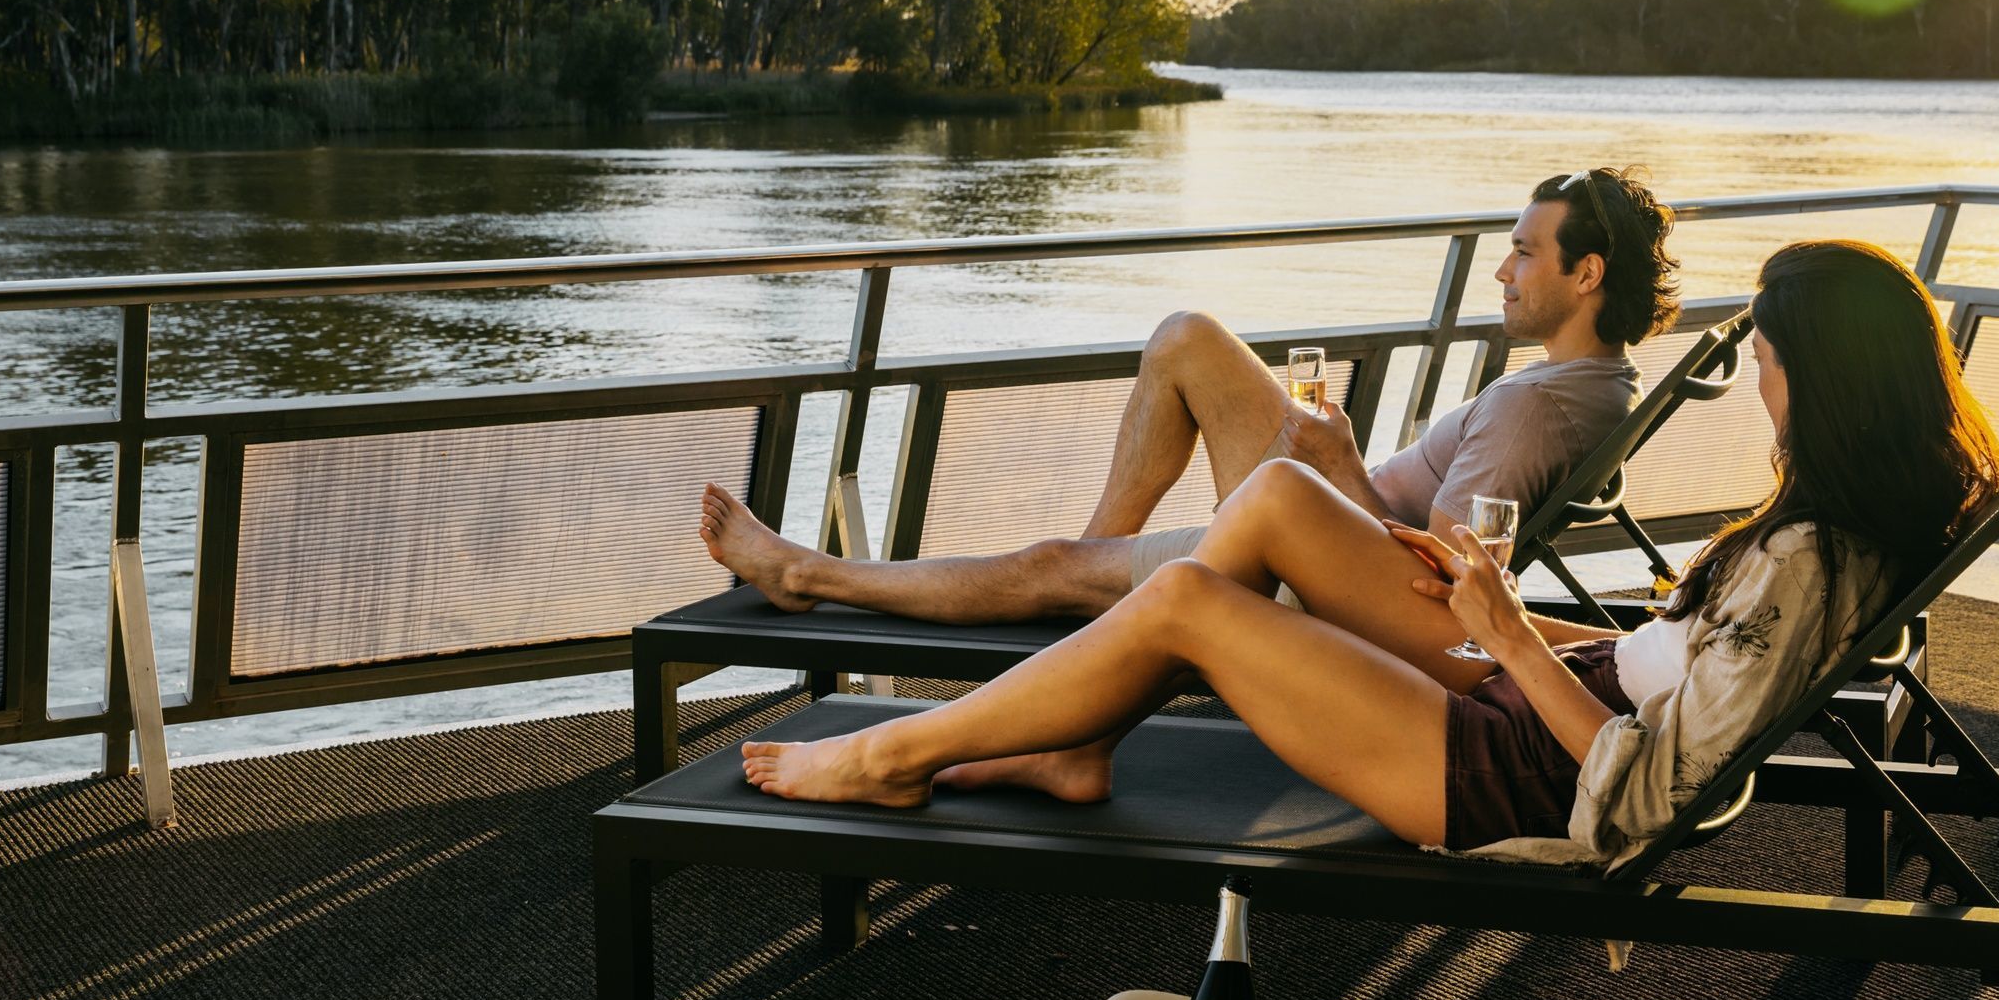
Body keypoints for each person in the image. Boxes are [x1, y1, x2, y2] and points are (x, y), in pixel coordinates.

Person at [735, 240, 1999, 862]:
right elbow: (1669, 670)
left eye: (1772, 363)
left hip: (1517, 775)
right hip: (1548, 693)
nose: (1765, 387)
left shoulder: (1807, 560)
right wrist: (1511, 614)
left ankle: (890, 751)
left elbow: (1651, 794)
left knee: (1185, 595)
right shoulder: (1832, 538)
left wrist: (1506, 633)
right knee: (1284, 496)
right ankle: (1071, 741)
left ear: (1823, 380)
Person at [698, 168, 1679, 624]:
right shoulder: (1590, 382)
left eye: (1521, 251)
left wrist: (1336, 462)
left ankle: (807, 575)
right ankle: (1095, 582)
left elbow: (1440, 598)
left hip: (1313, 561)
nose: (1499, 269)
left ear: (1585, 274)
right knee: (1185, 342)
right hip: (1323, 520)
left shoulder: (1531, 408)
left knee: (1049, 562)